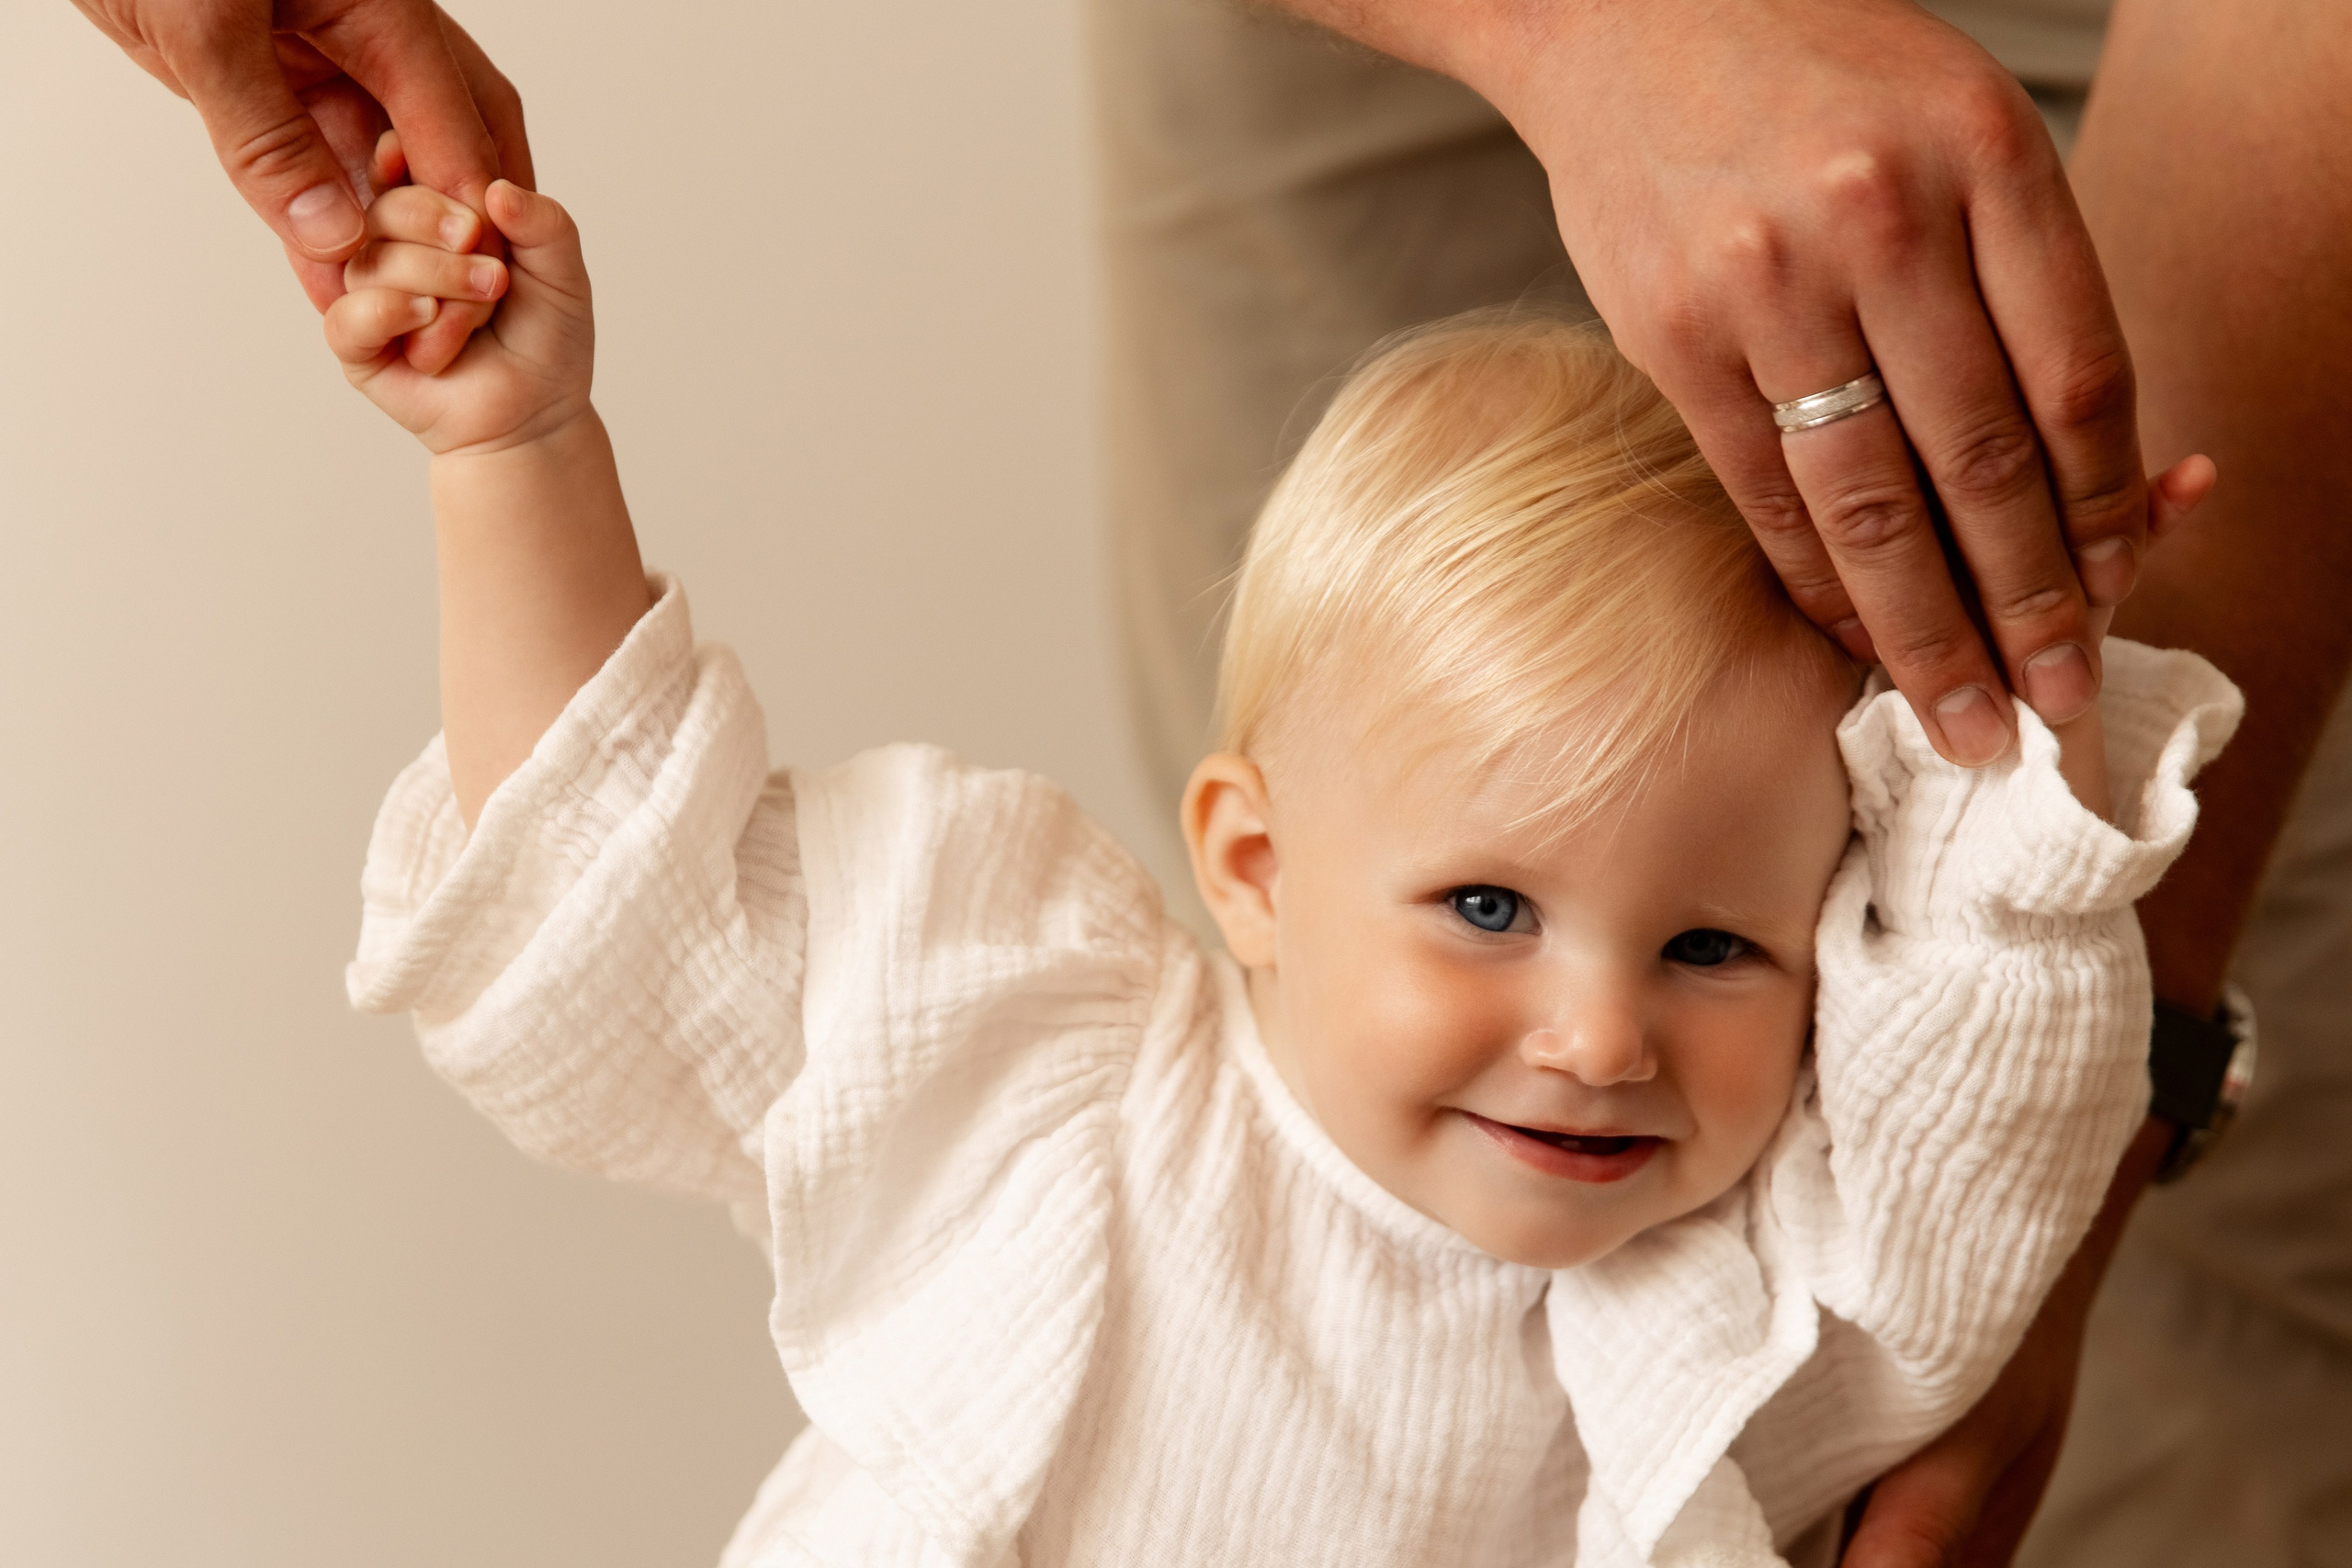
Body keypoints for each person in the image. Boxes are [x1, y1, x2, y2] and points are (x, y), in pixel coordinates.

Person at [70, 0, 2352, 1562]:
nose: (1593, 1031)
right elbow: (629, 907)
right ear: (1246, 862)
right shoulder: (1032, 1086)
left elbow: (1988, 1095)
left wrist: (2022, 712)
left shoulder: (1745, 1307)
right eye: (1482, 906)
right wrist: (516, 451)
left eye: (1714, 943)